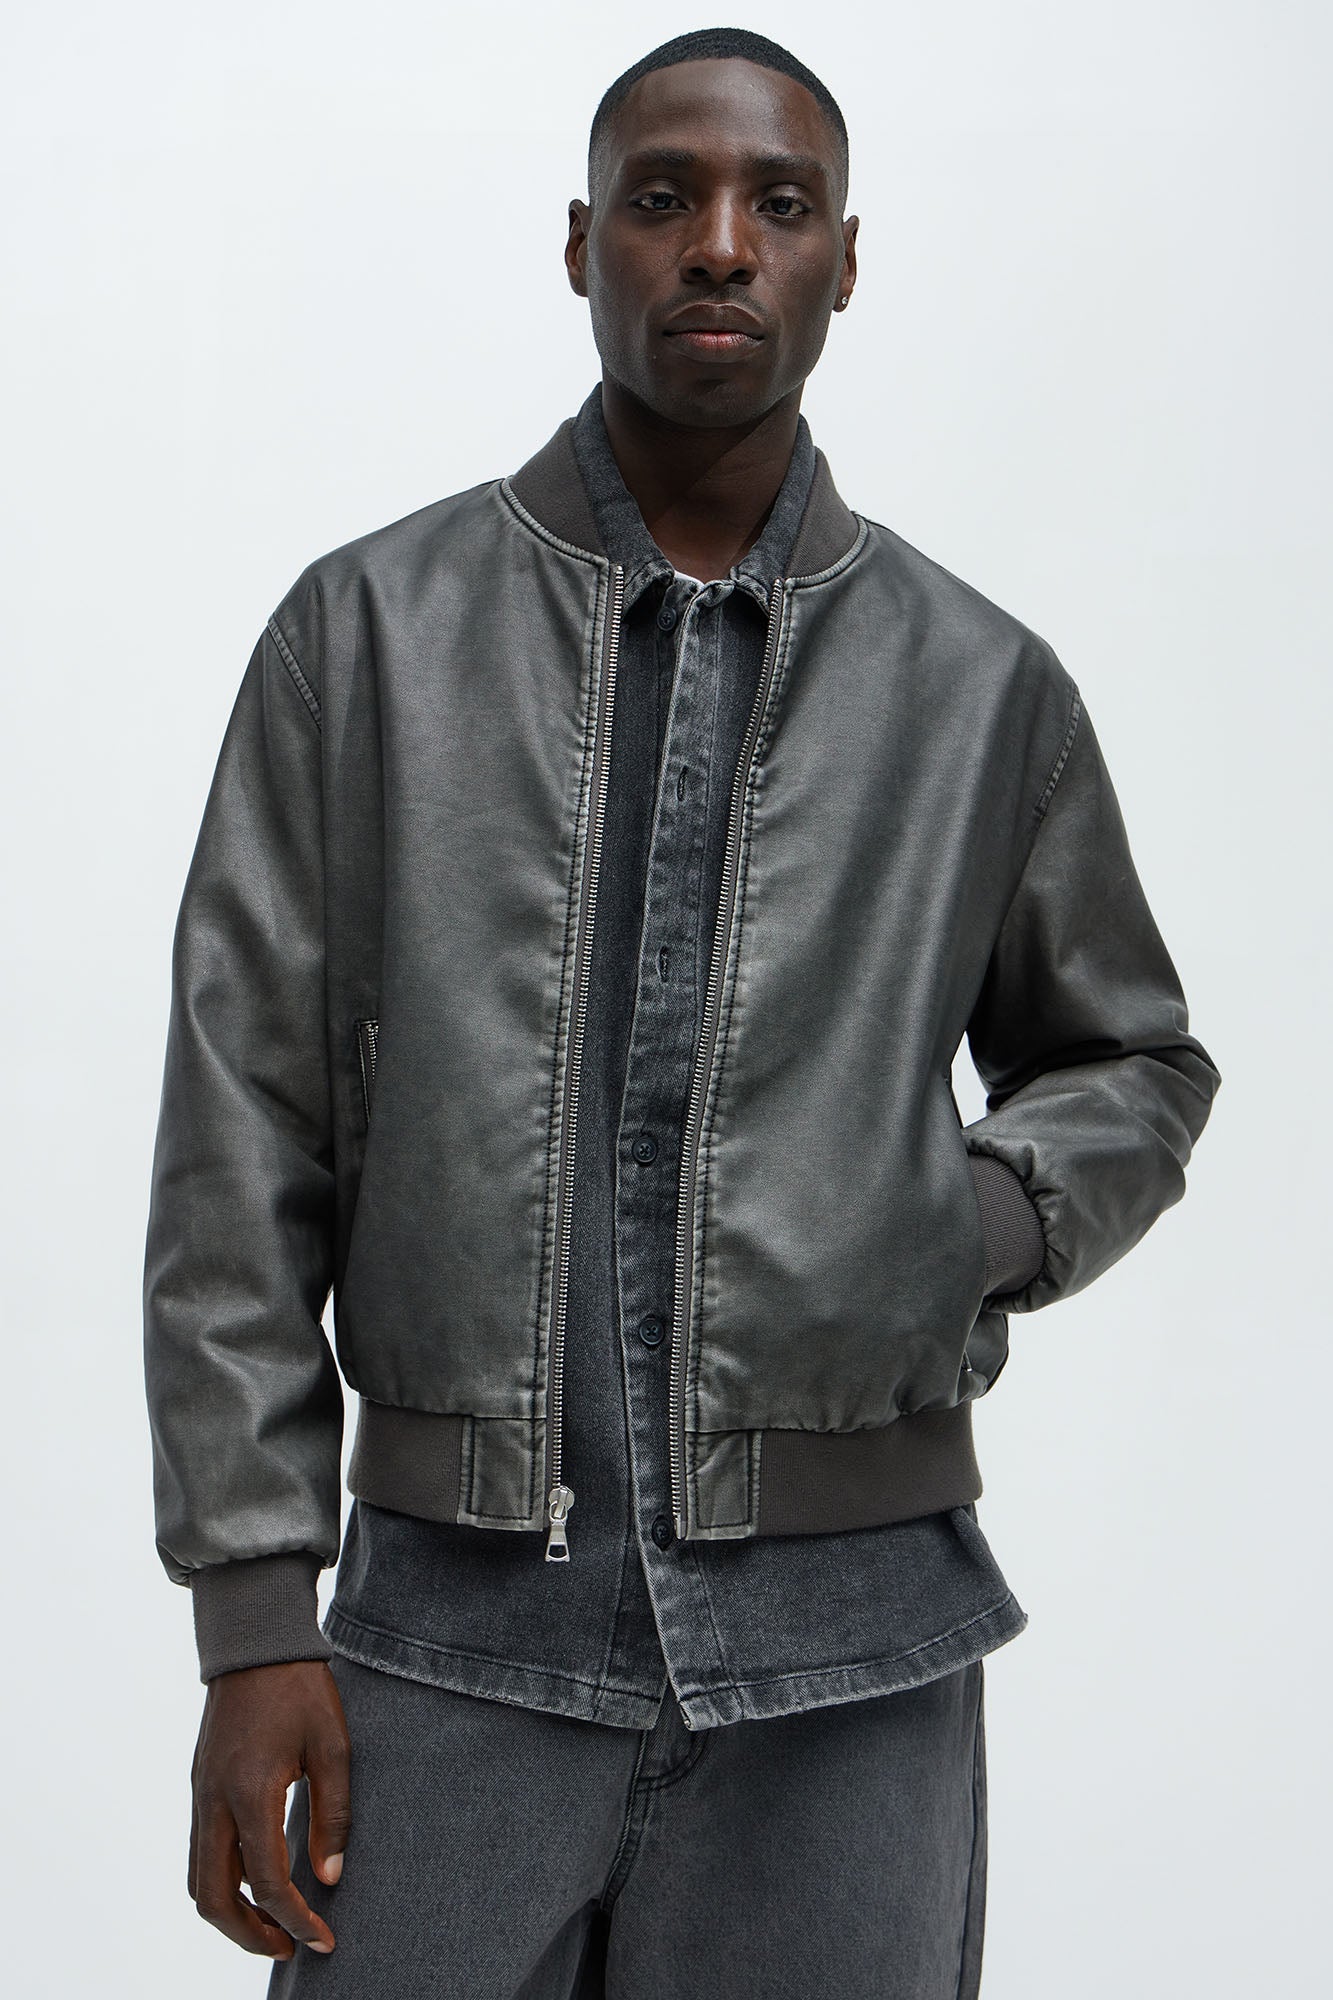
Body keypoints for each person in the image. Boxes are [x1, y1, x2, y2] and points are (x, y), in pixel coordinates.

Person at [142, 26, 1222, 1998]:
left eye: (777, 205)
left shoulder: (981, 688)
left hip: (853, 1662)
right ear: (581, 245)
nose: (719, 243)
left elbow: (1130, 1059)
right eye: (663, 198)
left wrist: (963, 1219)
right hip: (441, 1646)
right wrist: (251, 1619)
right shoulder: (364, 639)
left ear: (843, 262)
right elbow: (242, 1141)